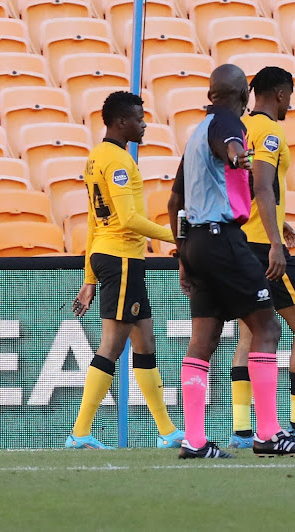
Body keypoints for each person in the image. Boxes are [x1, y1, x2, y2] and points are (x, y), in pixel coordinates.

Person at [167, 64, 295, 458]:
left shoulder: (196, 132)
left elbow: (174, 201)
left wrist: (183, 256)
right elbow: (233, 147)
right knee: (266, 327)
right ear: (241, 94)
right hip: (223, 239)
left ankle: (195, 440)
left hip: (196, 243)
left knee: (203, 340)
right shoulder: (227, 125)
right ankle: (268, 435)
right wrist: (238, 159)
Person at [67, 91, 184, 450]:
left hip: (115, 257)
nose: (144, 123)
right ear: (121, 122)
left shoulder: (95, 159)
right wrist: (178, 235)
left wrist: (89, 278)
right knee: (111, 347)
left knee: (145, 343)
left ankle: (166, 432)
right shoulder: (118, 162)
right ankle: (80, 432)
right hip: (120, 259)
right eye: (139, 117)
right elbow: (127, 219)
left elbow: (92, 222)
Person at [227, 66, 295, 449]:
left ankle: (240, 431)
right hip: (259, 246)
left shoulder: (238, 129)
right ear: (280, 93)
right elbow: (262, 184)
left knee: (249, 332)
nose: (291, 103)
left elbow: (244, 187)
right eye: (290, 96)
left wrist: (278, 223)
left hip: (239, 242)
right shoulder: (269, 130)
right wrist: (273, 241)